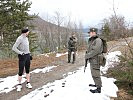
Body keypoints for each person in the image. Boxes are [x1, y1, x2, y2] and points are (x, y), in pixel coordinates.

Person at [85, 28, 104, 93]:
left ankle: (99, 89)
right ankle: (97, 84)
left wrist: (87, 55)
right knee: (93, 73)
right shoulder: (93, 40)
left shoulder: (98, 40)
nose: (89, 33)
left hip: (96, 60)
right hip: (93, 59)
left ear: (93, 32)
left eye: (90, 32)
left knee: (96, 74)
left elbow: (96, 51)